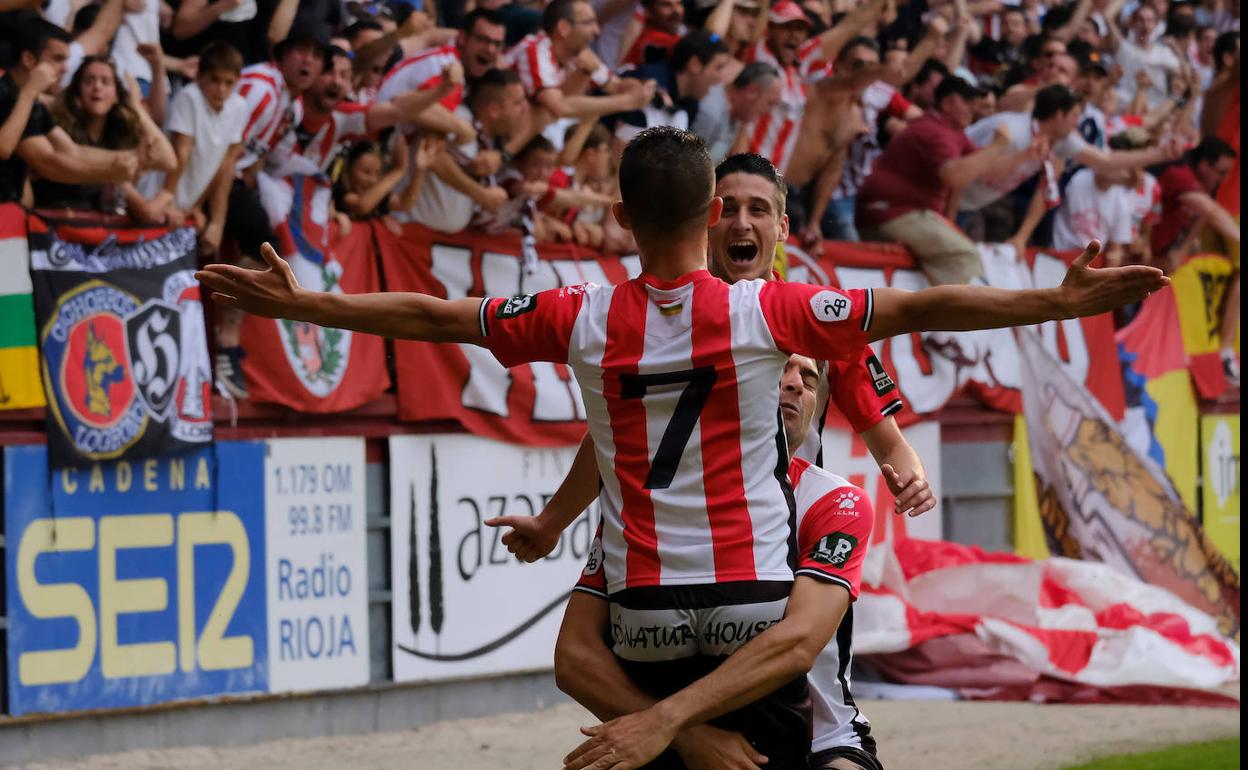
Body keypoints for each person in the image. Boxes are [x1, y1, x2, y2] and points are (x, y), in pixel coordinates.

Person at [197, 126, 1167, 767]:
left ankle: (673, 725)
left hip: (642, 611)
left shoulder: (578, 316)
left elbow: (431, 313)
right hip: (752, 604)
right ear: (715, 215)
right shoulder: (765, 308)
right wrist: (1054, 296)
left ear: (621, 216)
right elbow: (924, 301)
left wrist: (307, 302)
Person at [557, 352, 881, 770]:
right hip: (673, 734)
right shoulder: (654, 505)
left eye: (810, 378)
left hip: (821, 738)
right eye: (781, 368)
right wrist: (685, 737)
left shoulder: (837, 503)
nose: (796, 383)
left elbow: (798, 643)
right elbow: (573, 656)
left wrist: (666, 721)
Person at [0, 19, 139, 206]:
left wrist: (125, 159)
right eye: (57, 59)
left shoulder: (31, 103)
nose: (65, 68)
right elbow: (7, 148)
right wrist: (112, 170)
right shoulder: (8, 92)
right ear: (29, 60)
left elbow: (72, 151)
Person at [37, 56, 177, 216]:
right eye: (89, 81)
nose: (97, 87)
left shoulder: (114, 138)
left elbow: (167, 160)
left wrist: (136, 106)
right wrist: (167, 194)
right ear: (77, 93)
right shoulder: (59, 129)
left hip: (88, 233)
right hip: (54, 227)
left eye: (105, 82)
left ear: (117, 95)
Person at [1149, 136, 1240, 382]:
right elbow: (1209, 210)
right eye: (1220, 173)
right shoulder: (1178, 173)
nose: (1222, 180)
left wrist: (1184, 248)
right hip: (1135, 255)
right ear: (1203, 166)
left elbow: (1204, 211)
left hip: (1160, 258)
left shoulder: (1204, 181)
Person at [162, 41, 249, 257]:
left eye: (229, 83)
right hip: (160, 192)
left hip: (187, 202)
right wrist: (168, 200)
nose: (221, 89)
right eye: (215, 80)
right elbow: (181, 153)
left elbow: (225, 165)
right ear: (199, 76)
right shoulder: (189, 97)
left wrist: (202, 210)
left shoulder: (239, 107)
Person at [691, 60, 781, 164]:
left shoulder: (737, 115)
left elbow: (737, 163)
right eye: (769, 103)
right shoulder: (712, 113)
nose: (769, 112)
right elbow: (688, 164)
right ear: (751, 92)